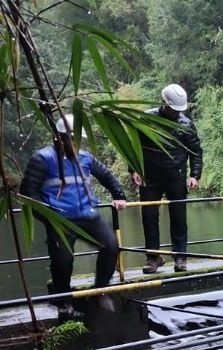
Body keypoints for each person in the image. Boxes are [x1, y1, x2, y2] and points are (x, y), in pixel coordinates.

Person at [20, 114, 127, 317]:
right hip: (61, 221)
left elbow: (106, 175)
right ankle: (63, 301)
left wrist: (119, 195)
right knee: (63, 261)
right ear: (59, 138)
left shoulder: (85, 158)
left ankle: (100, 291)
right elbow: (29, 193)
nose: (76, 144)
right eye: (72, 139)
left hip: (88, 215)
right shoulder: (43, 159)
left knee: (111, 246)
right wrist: (49, 216)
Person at [131, 83, 203, 273]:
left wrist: (195, 175)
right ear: (164, 103)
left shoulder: (186, 124)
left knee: (179, 216)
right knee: (149, 216)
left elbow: (196, 151)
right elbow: (134, 146)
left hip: (176, 176)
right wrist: (134, 170)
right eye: (172, 108)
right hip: (150, 177)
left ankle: (180, 257)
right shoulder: (147, 119)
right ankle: (153, 258)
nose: (174, 112)